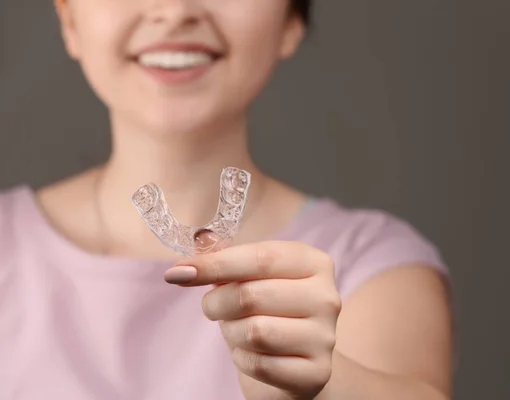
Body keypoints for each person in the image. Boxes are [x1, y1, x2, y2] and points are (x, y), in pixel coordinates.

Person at [0, 1, 453, 399]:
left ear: (291, 18)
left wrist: (326, 388)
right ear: (69, 18)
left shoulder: (373, 265)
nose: (175, 11)